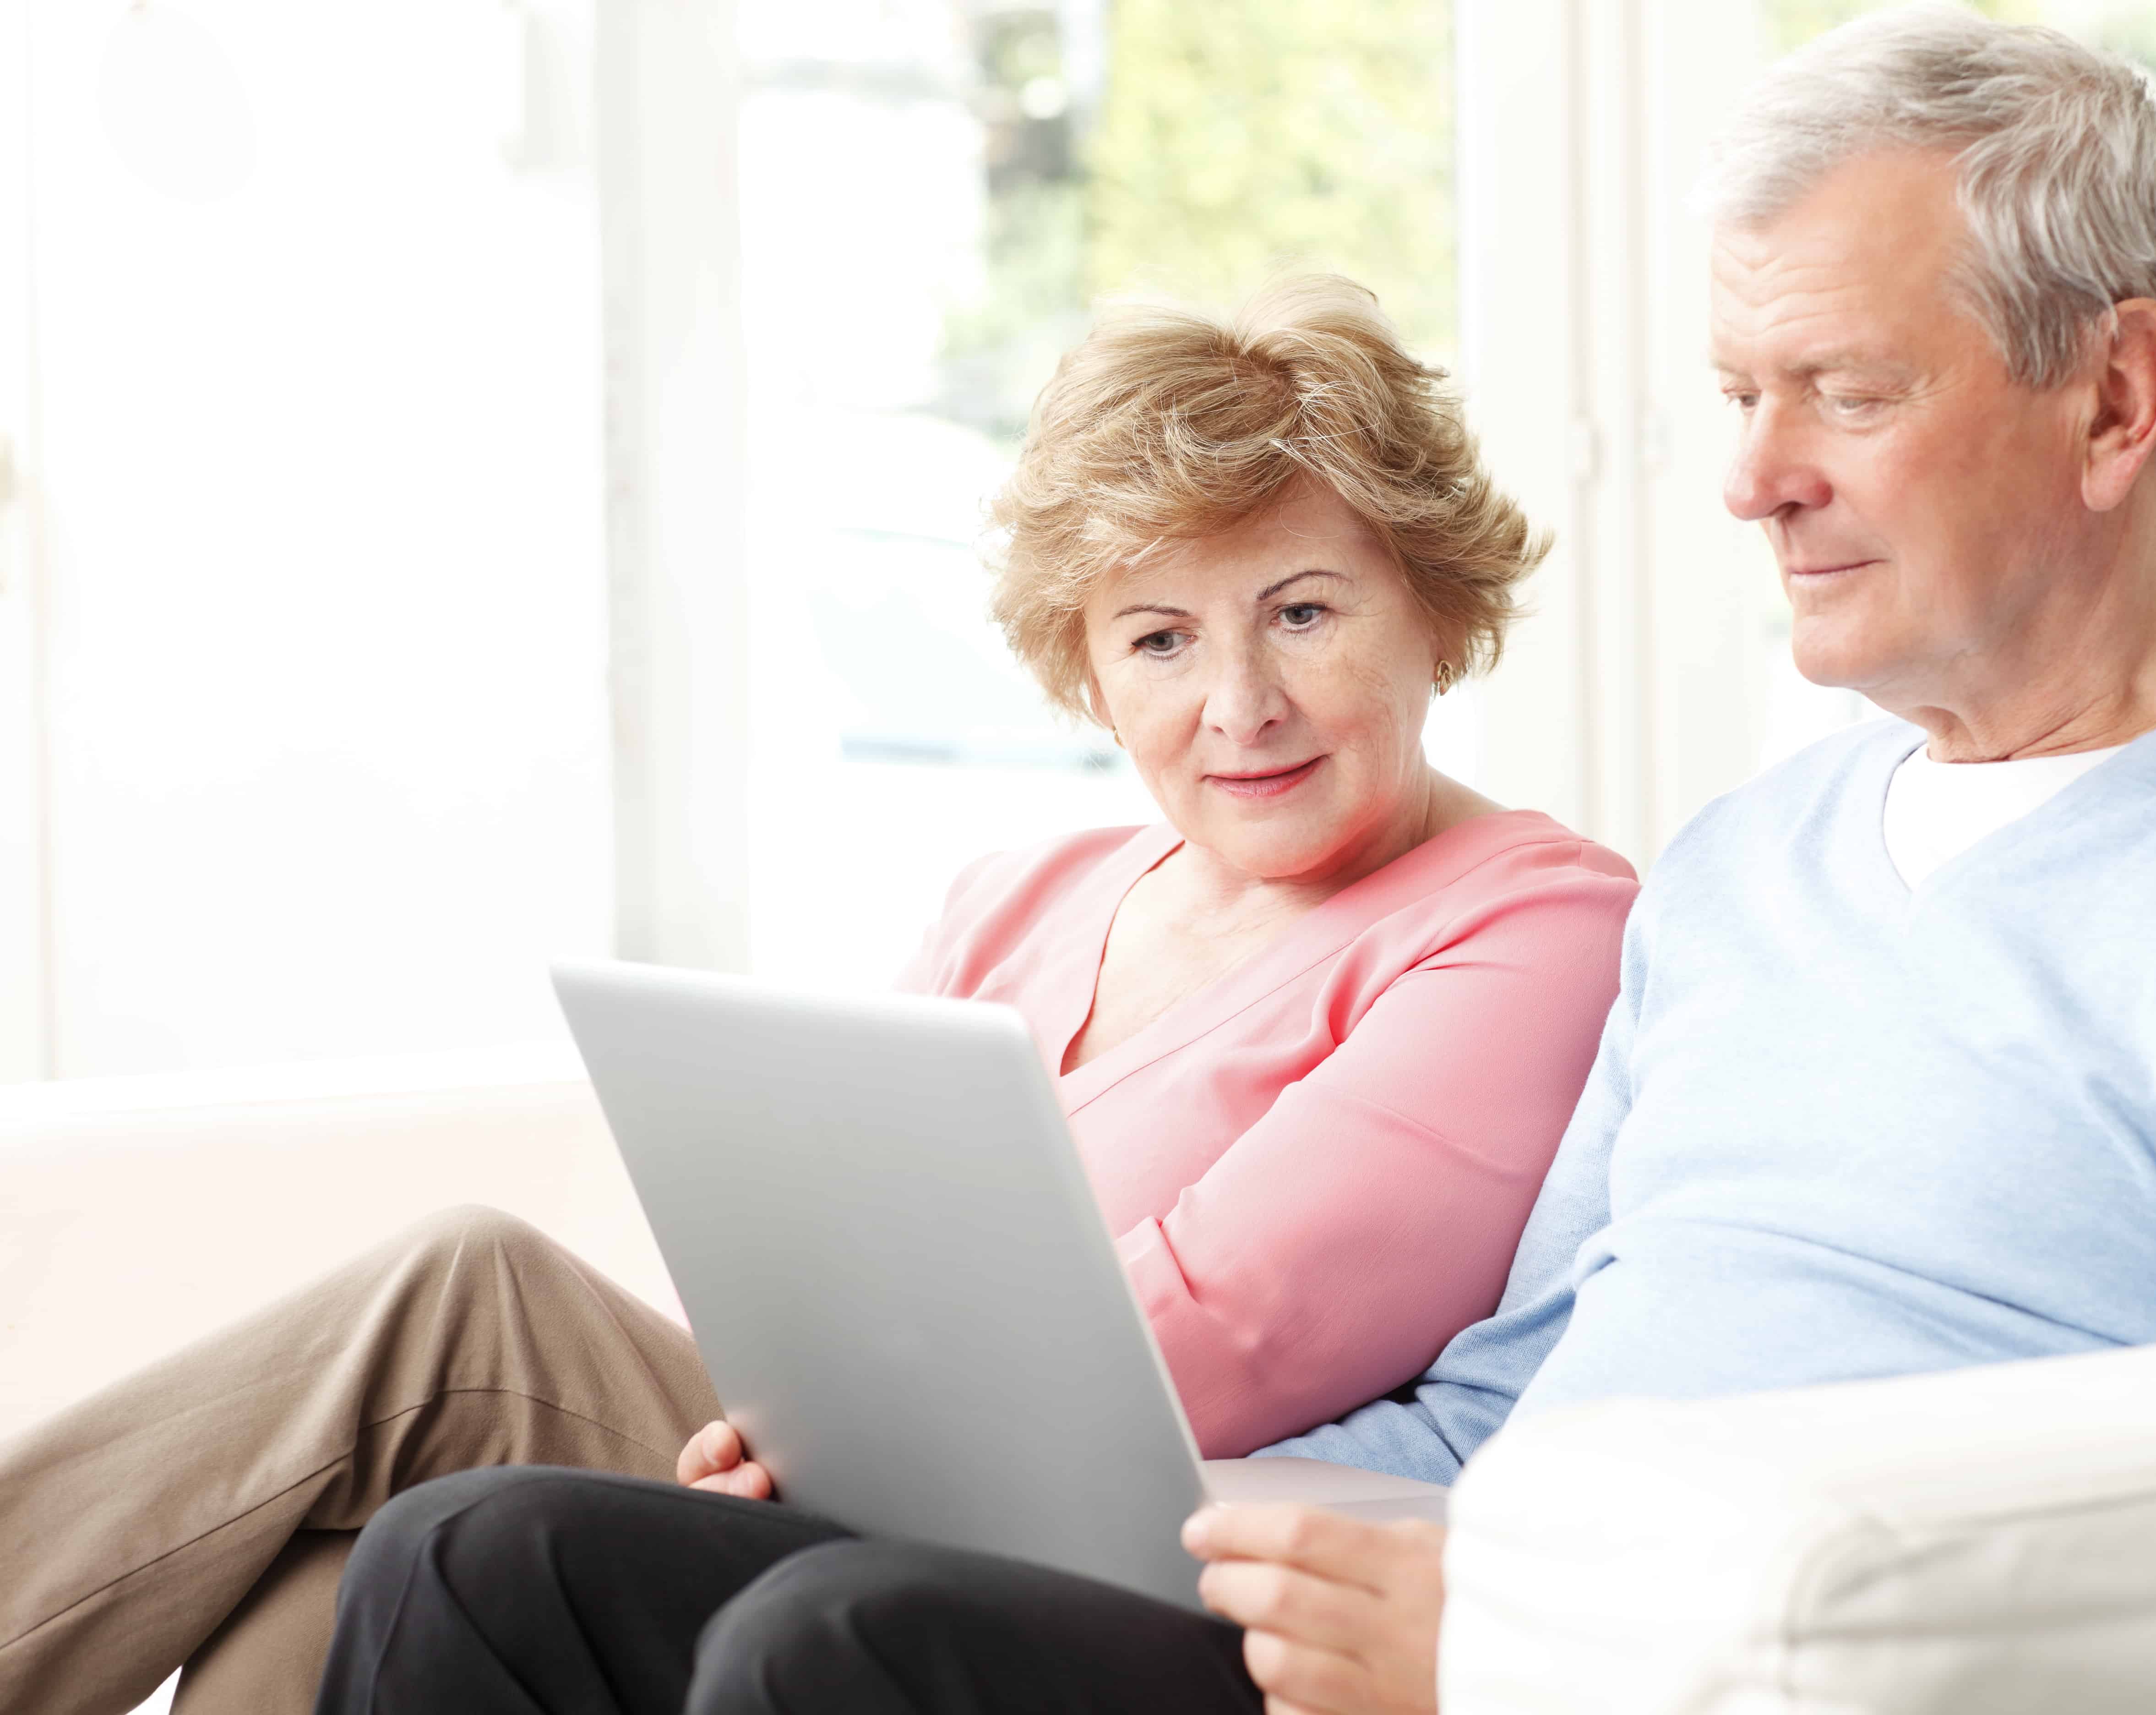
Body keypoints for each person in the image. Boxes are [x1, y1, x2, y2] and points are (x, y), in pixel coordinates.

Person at [323, 9, 2156, 1714]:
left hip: (1668, 1671)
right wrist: (1176, 1522)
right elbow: (1516, 1390)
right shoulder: (1752, 863)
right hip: (1490, 1613)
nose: (1753, 477)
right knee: (484, 1562)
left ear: (2117, 397)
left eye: (1846, 391)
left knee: (838, 1652)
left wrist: (1533, 1649)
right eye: (1739, 394)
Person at [0, 278, 1639, 1715]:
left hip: (1083, 1522)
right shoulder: (1028, 892)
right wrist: (772, 1402)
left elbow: (1218, 1334)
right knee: (333, 1560)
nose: (1239, 703)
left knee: (461, 1308)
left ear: (1435, 608)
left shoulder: (1535, 923)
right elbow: (806, 1257)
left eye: (1303, 613)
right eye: (1159, 641)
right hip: (865, 1459)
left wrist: (802, 1402)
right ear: (1087, 669)